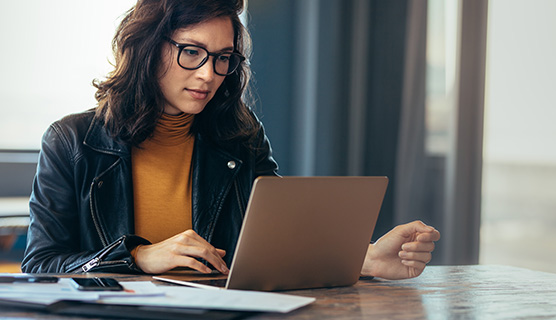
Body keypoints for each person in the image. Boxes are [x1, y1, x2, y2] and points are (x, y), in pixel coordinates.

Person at [21, 0, 440, 279]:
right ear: (148, 48)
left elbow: (278, 241)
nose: (208, 74)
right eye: (191, 52)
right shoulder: (72, 141)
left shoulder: (240, 134)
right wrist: (136, 258)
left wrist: (363, 258)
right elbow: (40, 265)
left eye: (223, 58)